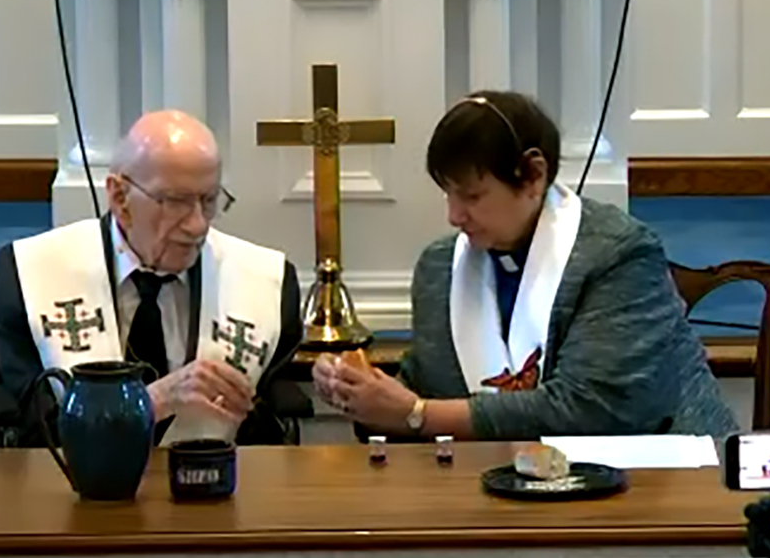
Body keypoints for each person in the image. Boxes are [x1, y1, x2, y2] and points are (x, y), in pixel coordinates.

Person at [312, 90, 739, 441]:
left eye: (472, 196)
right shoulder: (439, 268)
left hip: (662, 486)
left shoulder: (619, 254)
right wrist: (363, 393)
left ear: (533, 176)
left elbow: (594, 412)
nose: (454, 216)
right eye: (448, 194)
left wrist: (417, 414)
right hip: (496, 487)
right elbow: (426, 394)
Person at [0, 110, 304, 447]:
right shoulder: (29, 274)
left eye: (209, 201)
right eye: (176, 202)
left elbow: (266, 433)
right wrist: (150, 402)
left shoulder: (267, 282)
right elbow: (34, 432)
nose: (198, 224)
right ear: (120, 197)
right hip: (73, 489)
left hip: (214, 486)